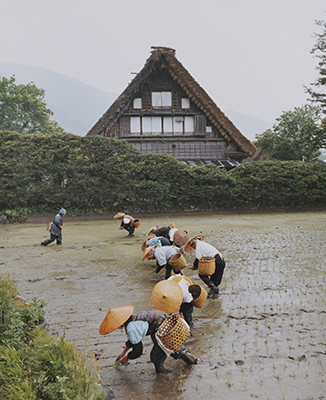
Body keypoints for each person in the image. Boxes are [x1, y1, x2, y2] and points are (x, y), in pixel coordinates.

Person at [99, 305, 197, 374]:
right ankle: (193, 361)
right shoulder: (134, 317)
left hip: (161, 330)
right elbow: (134, 341)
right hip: (164, 323)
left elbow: (138, 350)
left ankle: (162, 381)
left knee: (156, 357)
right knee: (172, 346)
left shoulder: (131, 328)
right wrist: (123, 352)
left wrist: (128, 357)